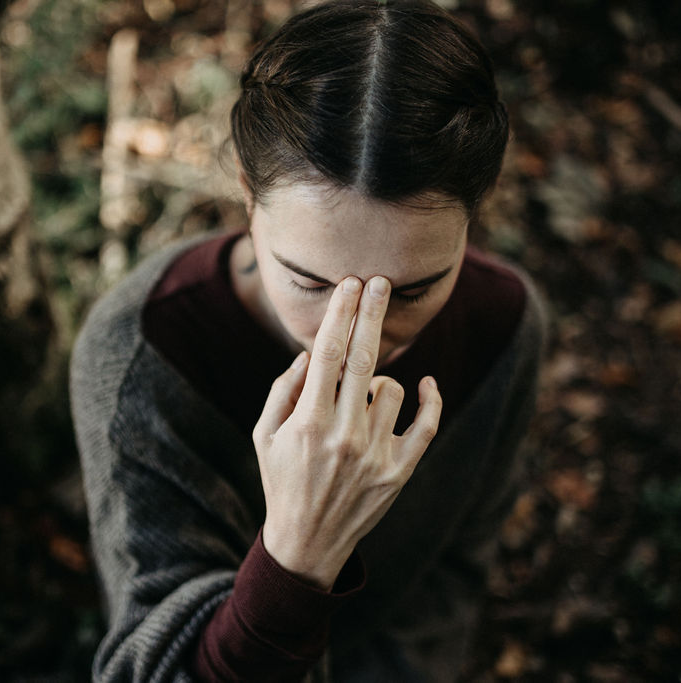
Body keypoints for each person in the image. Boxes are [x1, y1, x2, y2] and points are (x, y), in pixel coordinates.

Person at [70, 0, 546, 680]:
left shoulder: (504, 326)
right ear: (245, 189)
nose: (350, 337)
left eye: (410, 290)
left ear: (478, 208)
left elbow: (453, 577)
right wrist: (297, 554)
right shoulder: (143, 357)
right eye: (308, 279)